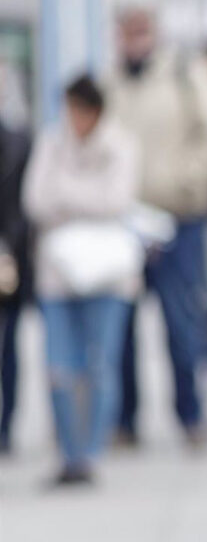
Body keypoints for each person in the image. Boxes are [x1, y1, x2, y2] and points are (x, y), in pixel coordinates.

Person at [106, 5, 207, 445]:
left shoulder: (187, 72)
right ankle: (125, 421)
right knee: (120, 325)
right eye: (127, 31)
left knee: (182, 317)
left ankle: (190, 414)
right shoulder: (111, 81)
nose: (134, 39)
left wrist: (187, 182)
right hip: (125, 221)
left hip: (179, 217)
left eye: (140, 29)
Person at [22, 75, 141, 484]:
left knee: (100, 363)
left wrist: (67, 197)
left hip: (108, 275)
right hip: (57, 274)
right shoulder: (50, 143)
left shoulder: (120, 144)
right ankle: (69, 455)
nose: (73, 118)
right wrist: (87, 200)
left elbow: (117, 201)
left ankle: (91, 453)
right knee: (58, 365)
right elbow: (35, 200)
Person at [0, 115, 31, 455]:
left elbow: (25, 206)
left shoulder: (17, 140)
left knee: (9, 347)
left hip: (10, 260)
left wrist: (8, 247)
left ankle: (6, 425)